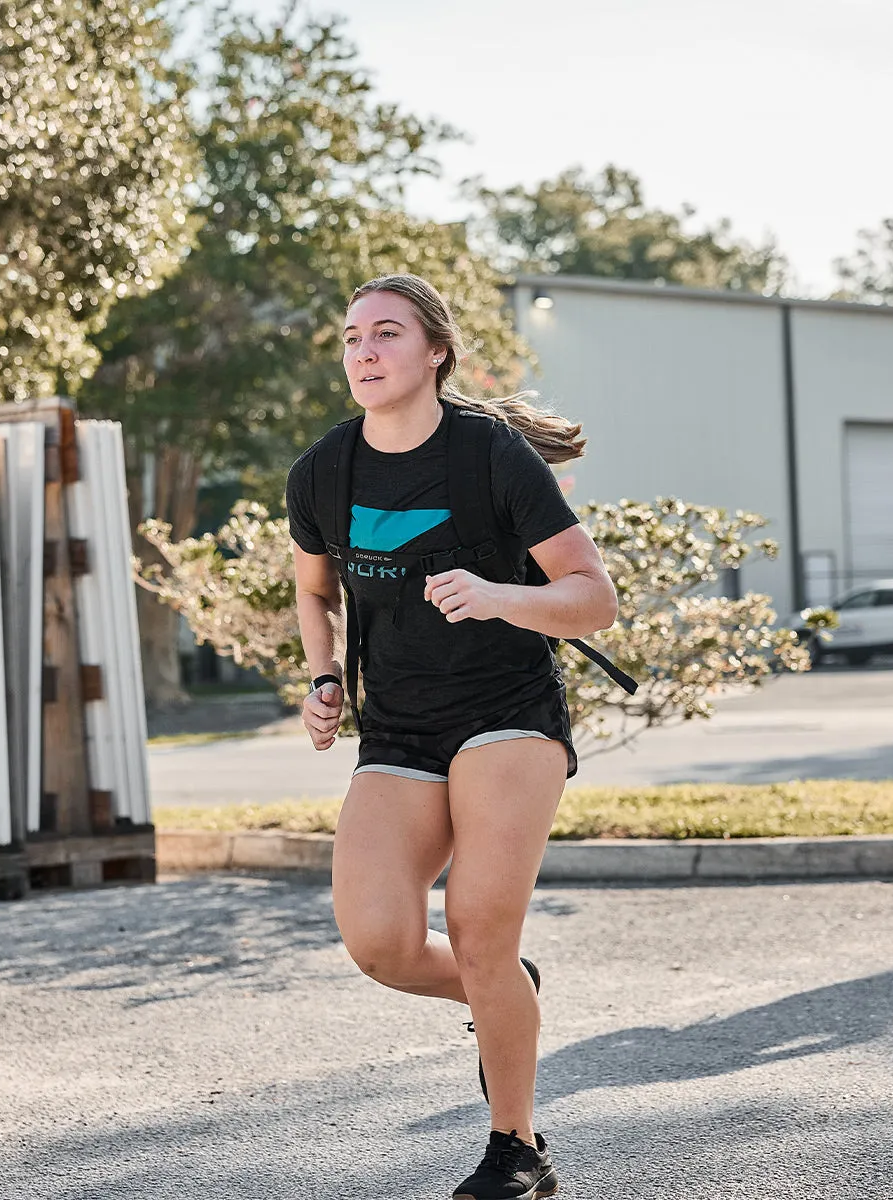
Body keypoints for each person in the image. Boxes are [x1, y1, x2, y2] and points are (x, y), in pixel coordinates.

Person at [285, 273, 618, 1200]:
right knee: (380, 943)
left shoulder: (493, 458)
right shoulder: (324, 471)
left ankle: (516, 1148)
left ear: (436, 352)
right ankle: (506, 988)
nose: (364, 353)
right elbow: (314, 590)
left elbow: (594, 598)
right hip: (399, 725)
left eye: (385, 334)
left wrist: (499, 593)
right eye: (351, 338)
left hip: (507, 713)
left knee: (477, 927)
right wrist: (321, 678)